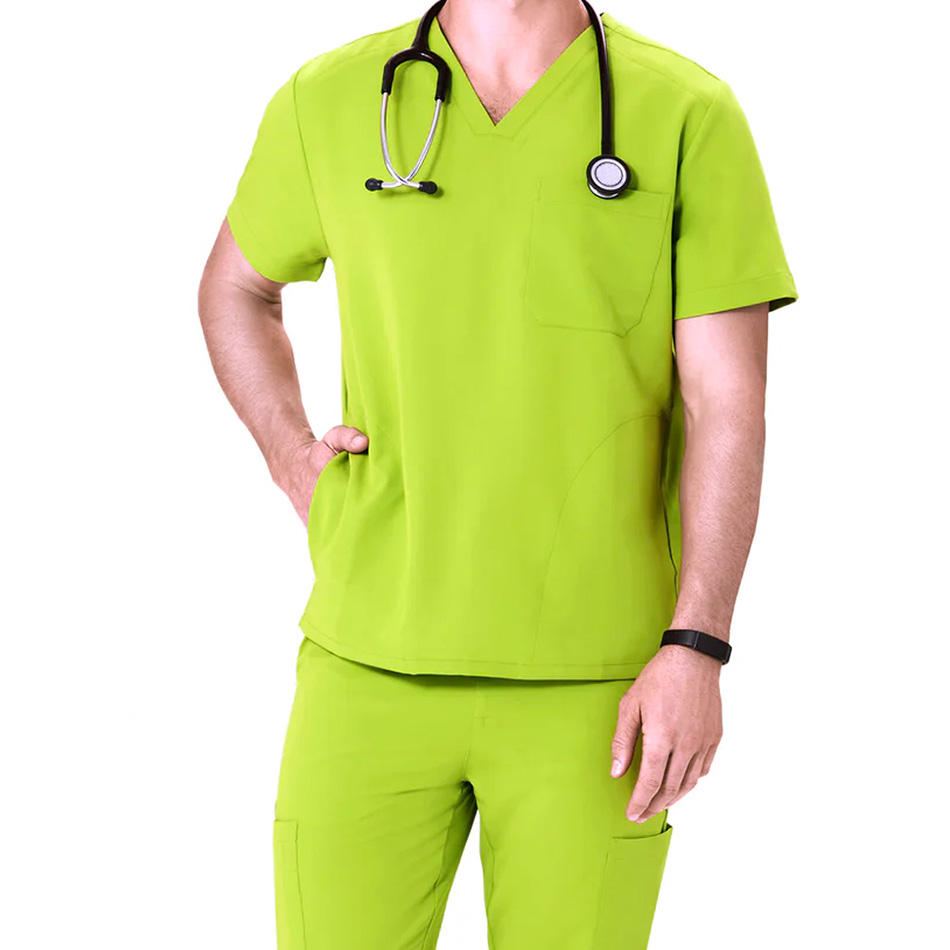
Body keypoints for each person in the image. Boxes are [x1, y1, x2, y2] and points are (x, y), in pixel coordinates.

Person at [197, 0, 797, 946]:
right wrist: (288, 452)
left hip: (601, 690)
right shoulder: (329, 99)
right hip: (368, 663)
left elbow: (728, 403)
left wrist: (698, 645)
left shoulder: (685, 112)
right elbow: (236, 285)